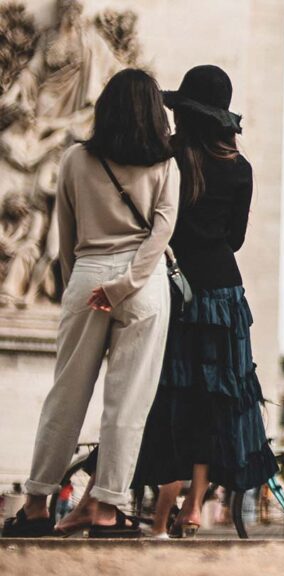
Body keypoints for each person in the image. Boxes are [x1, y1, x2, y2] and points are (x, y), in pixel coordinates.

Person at [2, 69, 178, 539]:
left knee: (66, 396)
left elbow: (67, 234)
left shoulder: (75, 159)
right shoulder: (165, 162)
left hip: (88, 276)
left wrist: (77, 289)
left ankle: (37, 505)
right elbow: (162, 233)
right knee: (127, 404)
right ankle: (105, 510)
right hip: (143, 285)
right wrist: (127, 284)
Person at [130, 64, 277, 539]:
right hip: (224, 294)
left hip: (175, 290)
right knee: (217, 401)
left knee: (173, 398)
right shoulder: (240, 168)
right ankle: (194, 505)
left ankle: (158, 517)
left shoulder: (169, 160)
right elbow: (235, 239)